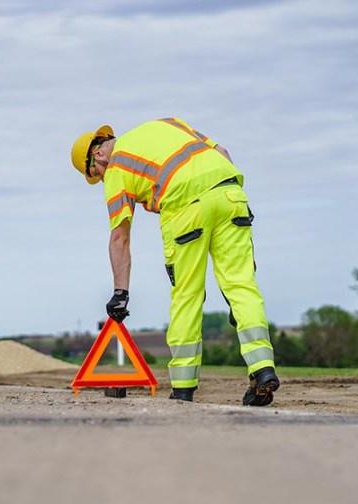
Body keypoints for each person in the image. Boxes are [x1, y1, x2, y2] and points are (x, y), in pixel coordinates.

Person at [70, 117, 280, 405]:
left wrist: (121, 293)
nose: (102, 178)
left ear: (98, 154)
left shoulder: (117, 167)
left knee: (187, 295)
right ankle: (263, 369)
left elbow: (120, 237)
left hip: (185, 208)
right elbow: (224, 154)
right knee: (241, 286)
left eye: (96, 173)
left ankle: (183, 388)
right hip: (231, 193)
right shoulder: (167, 124)